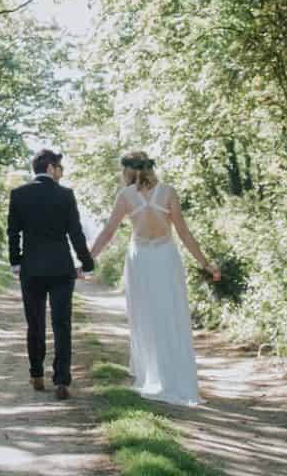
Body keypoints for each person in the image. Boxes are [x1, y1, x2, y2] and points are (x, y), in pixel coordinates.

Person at [88, 150, 221, 406]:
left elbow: (108, 233)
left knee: (146, 317)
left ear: (128, 170)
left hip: (141, 261)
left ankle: (154, 376)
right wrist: (206, 264)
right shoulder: (168, 192)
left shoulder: (126, 196)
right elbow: (183, 233)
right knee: (171, 315)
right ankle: (174, 378)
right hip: (165, 258)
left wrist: (87, 260)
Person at [7, 147, 95, 399]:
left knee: (34, 323)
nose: (61, 173)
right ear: (49, 167)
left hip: (31, 268)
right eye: (59, 168)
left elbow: (13, 233)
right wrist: (86, 263)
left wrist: (16, 262)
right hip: (60, 268)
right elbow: (75, 234)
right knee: (61, 323)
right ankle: (61, 380)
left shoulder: (19, 194)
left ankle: (36, 374)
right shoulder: (65, 195)